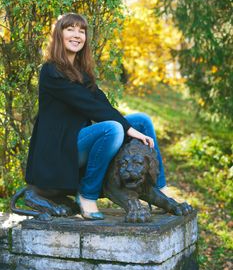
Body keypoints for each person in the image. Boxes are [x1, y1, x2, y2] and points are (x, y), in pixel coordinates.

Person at [25, 13, 168, 220]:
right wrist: (128, 129)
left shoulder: (82, 72)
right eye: (70, 29)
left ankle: (160, 189)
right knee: (113, 128)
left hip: (77, 140)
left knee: (142, 121)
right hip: (59, 150)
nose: (77, 35)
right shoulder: (51, 71)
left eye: (81, 31)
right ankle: (87, 195)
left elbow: (103, 104)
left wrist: (132, 127)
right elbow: (91, 106)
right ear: (59, 35)